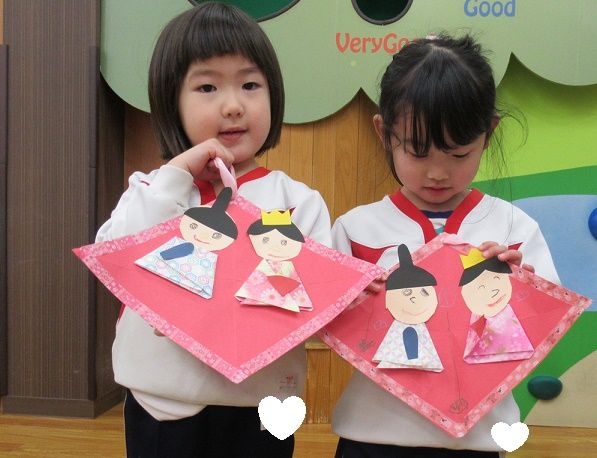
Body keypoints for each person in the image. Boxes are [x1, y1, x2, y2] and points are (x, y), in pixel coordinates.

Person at [95, 3, 331, 457]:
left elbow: (320, 301)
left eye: (250, 85)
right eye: (207, 87)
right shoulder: (155, 189)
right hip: (161, 401)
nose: (233, 105)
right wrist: (175, 175)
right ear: (171, 102)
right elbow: (112, 258)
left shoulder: (297, 201)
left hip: (261, 403)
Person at [331, 34, 559, 457]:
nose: (437, 173)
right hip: (373, 436)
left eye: (457, 154)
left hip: (477, 438)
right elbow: (328, 325)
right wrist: (346, 299)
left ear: (488, 134)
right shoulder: (355, 229)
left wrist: (521, 287)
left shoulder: (513, 228)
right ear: (384, 132)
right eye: (418, 152)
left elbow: (544, 329)